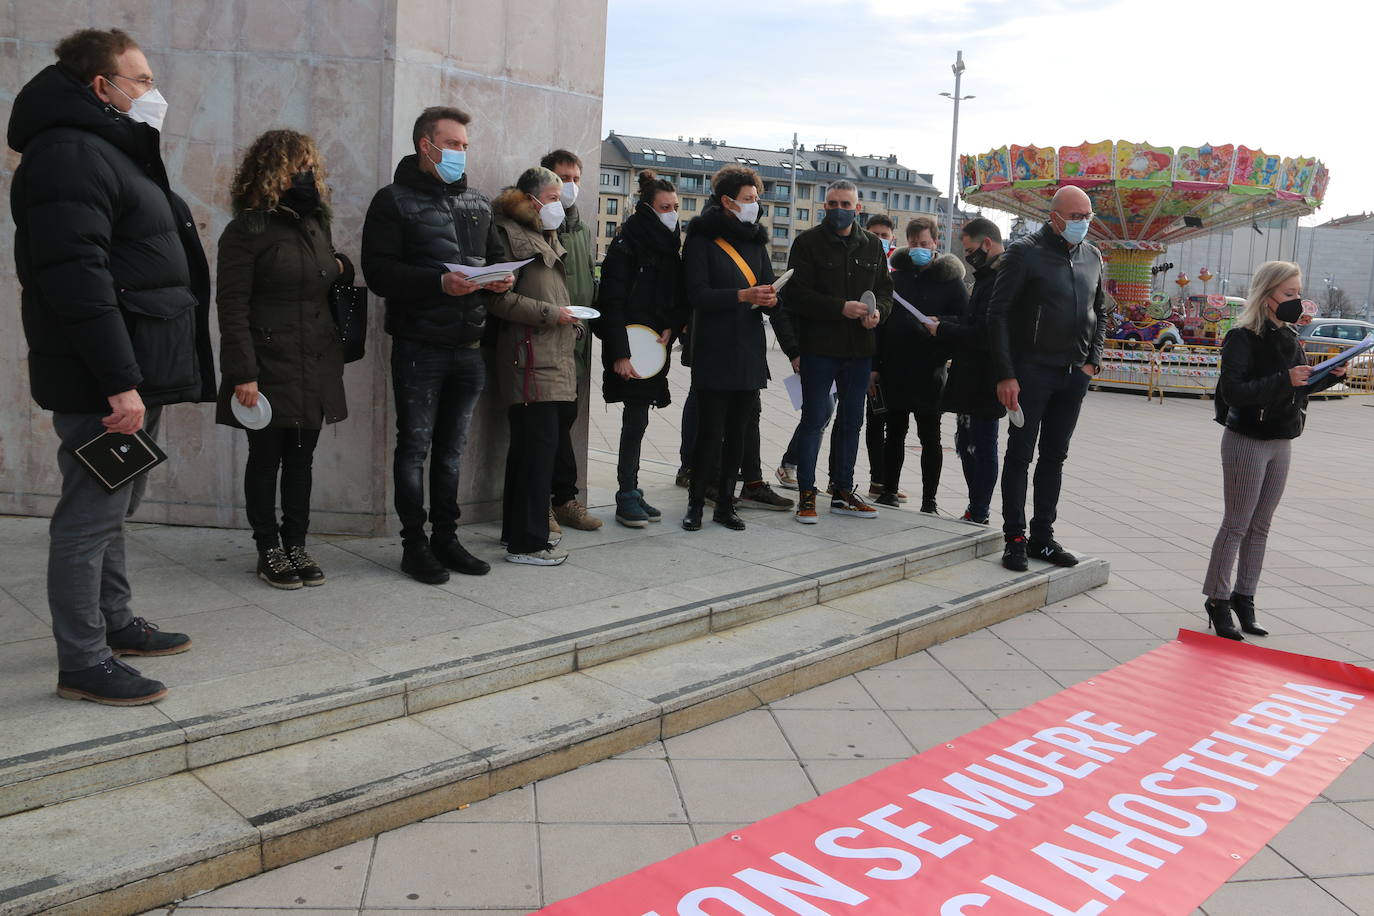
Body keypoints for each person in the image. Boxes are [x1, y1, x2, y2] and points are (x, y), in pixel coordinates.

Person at [10, 28, 214, 705]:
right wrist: (119, 383)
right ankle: (84, 660)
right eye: (142, 81)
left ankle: (116, 622)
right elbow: (78, 279)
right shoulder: (71, 153)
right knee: (90, 512)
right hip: (107, 379)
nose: (154, 94)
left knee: (117, 499)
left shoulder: (104, 148)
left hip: (132, 366)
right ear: (102, 87)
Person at [362, 106, 510, 585]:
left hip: (469, 346)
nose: (460, 153)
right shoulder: (393, 201)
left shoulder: (478, 202)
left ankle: (447, 537)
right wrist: (438, 283)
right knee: (416, 448)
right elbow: (379, 272)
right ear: (425, 145)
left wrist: (501, 277)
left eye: (465, 146)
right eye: (452, 144)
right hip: (419, 345)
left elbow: (497, 257)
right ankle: (415, 545)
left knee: (453, 451)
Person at [216, 130, 349, 589]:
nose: (306, 176)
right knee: (266, 456)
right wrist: (242, 373)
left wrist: (339, 266)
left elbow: (323, 274)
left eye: (310, 167)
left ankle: (296, 543)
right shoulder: (247, 229)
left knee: (301, 458)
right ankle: (267, 547)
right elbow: (231, 307)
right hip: (268, 363)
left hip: (315, 357)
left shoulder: (316, 225)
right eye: (297, 167)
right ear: (271, 172)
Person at [1201, 261, 1344, 640]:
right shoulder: (1242, 337)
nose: (1297, 301)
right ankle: (1217, 601)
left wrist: (1329, 375)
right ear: (1267, 297)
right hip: (1247, 439)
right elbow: (1234, 392)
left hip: (1282, 439)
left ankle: (1244, 597)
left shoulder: (1290, 337)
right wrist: (1285, 378)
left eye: (1298, 292)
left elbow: (1297, 388)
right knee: (1237, 524)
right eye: (1289, 294)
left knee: (1261, 526)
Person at [988, 185, 1107, 571]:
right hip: (1032, 372)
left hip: (1073, 374)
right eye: (1075, 217)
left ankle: (1044, 536)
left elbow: (1100, 311)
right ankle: (1015, 538)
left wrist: (1093, 362)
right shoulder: (1025, 253)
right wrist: (1007, 373)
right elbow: (998, 314)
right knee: (1020, 455)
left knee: (1055, 457)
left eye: (1087, 216)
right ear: (1054, 216)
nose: (1083, 223)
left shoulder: (1092, 256)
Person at [489, 167, 584, 564]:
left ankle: (517, 531)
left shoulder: (544, 236)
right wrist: (554, 314)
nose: (557, 205)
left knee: (530, 451)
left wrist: (570, 320)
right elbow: (497, 299)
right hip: (529, 361)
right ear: (529, 199)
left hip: (550, 358)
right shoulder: (508, 234)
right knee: (536, 453)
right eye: (550, 197)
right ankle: (528, 543)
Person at [785, 180, 892, 524]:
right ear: (824, 205)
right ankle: (806, 492)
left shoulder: (874, 246)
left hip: (860, 350)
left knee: (851, 422)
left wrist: (878, 314)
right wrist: (838, 308)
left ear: (857, 208)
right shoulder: (807, 243)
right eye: (831, 203)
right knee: (814, 420)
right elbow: (797, 295)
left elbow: (885, 293)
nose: (837, 209)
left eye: (844, 203)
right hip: (820, 349)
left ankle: (843, 490)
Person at [680, 165, 778, 531]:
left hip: (749, 348)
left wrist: (771, 299)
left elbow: (768, 285)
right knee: (709, 434)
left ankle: (725, 504)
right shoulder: (702, 239)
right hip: (714, 348)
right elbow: (697, 294)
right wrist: (742, 295)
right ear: (727, 201)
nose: (756, 205)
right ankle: (695, 505)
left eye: (757, 199)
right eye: (749, 199)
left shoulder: (755, 240)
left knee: (738, 434)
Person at [595, 169, 684, 527]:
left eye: (676, 206)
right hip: (630, 349)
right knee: (634, 421)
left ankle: (632, 489)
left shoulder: (668, 247)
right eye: (666, 206)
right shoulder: (626, 245)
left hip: (653, 350)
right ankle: (625, 495)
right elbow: (611, 302)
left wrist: (671, 327)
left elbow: (675, 299)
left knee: (641, 419)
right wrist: (619, 353)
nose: (673, 213)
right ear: (647, 208)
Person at [876, 216, 968, 512]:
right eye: (914, 244)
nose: (918, 249)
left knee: (930, 437)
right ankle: (888, 490)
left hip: (930, 370)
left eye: (924, 244)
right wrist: (875, 366)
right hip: (895, 368)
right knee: (894, 433)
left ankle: (929, 500)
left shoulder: (951, 281)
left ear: (935, 244)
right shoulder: (896, 277)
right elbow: (881, 324)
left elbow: (967, 322)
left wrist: (942, 324)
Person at [541, 149, 602, 535]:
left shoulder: (583, 229)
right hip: (544, 342)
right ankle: (541, 502)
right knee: (541, 428)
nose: (571, 186)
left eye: (577, 178)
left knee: (565, 423)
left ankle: (564, 500)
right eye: (563, 178)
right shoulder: (536, 224)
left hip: (577, 344)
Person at [938, 217, 1008, 524]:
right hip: (971, 376)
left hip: (988, 376)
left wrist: (943, 329)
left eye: (970, 250)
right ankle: (975, 506)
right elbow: (972, 322)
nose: (968, 256)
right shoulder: (986, 276)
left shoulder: (1002, 278)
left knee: (982, 445)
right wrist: (944, 323)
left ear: (987, 244)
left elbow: (986, 332)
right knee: (967, 444)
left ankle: (979, 510)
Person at [862, 214, 900, 501]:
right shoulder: (865, 270)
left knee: (894, 424)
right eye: (874, 234)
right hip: (871, 360)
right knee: (875, 420)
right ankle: (877, 479)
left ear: (893, 238)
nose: (880, 240)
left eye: (884, 235)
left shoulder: (898, 271)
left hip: (895, 362)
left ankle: (888, 480)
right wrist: (872, 366)